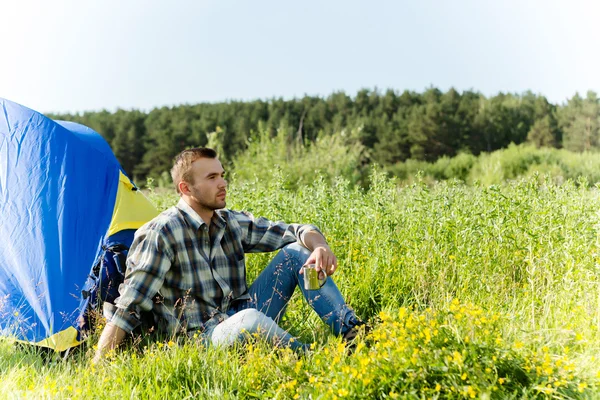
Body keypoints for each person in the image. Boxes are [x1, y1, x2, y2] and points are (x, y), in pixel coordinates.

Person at [93, 147, 363, 362]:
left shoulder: (229, 221)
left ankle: (354, 334)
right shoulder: (161, 233)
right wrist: (99, 363)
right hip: (199, 340)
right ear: (186, 188)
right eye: (212, 178)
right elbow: (129, 306)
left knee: (296, 252)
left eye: (222, 175)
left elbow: (294, 231)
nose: (223, 183)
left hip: (239, 313)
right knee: (249, 321)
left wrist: (320, 247)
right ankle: (318, 358)